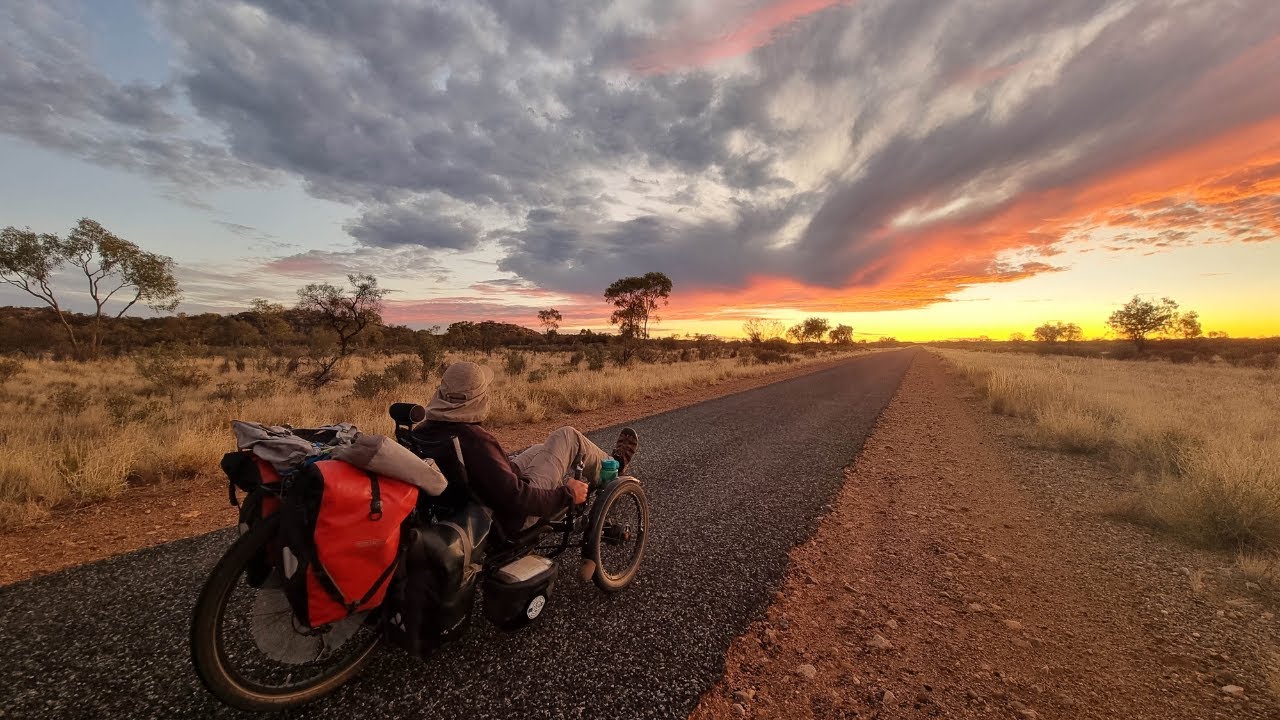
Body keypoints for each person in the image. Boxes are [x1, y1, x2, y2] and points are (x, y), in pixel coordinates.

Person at [412, 361, 639, 544]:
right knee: (567, 436)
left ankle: (604, 469)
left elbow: (488, 474)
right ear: (480, 399)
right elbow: (517, 497)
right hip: (507, 520)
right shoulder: (473, 440)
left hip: (467, 507)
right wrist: (567, 494)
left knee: (540, 449)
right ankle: (614, 466)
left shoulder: (422, 432)